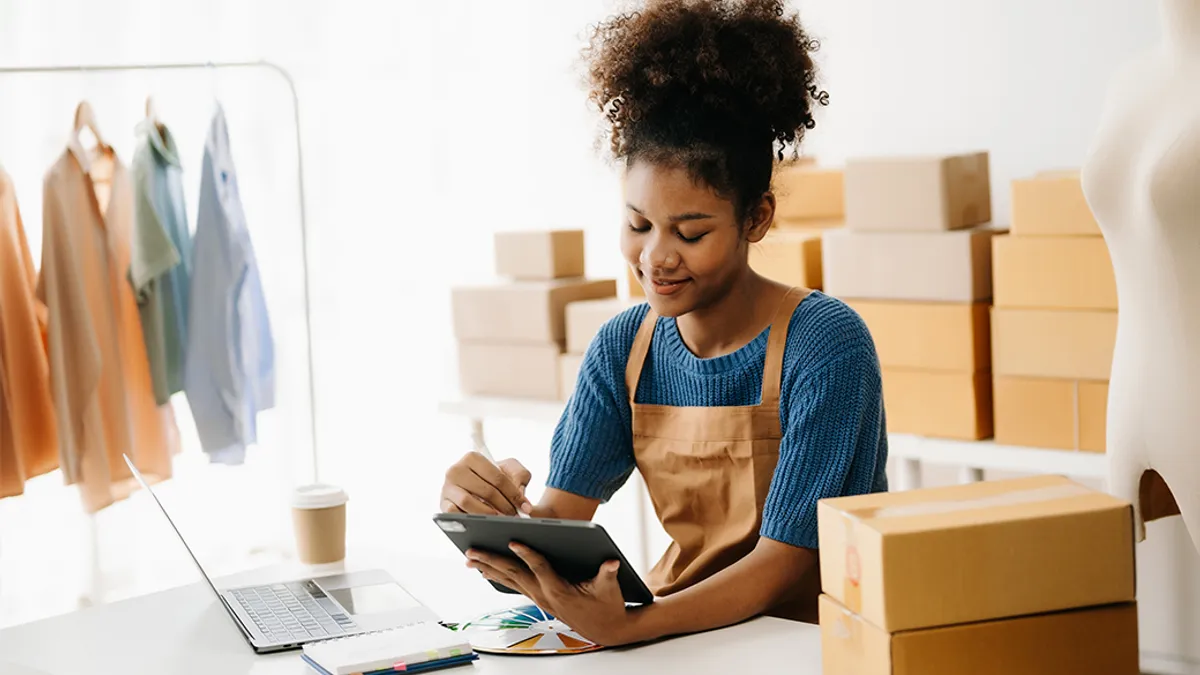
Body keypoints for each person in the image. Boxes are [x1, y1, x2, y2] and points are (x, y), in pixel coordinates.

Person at [439, 0, 887, 646]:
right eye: (638, 224)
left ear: (756, 218)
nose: (655, 258)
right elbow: (560, 528)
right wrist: (487, 515)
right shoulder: (624, 346)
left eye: (691, 231)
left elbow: (782, 563)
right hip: (681, 638)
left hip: (813, 642)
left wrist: (632, 624)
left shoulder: (825, 344)